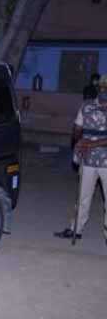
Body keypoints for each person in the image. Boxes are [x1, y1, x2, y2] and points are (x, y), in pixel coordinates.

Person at [55, 74, 107, 245]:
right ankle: (75, 229)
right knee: (83, 197)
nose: (104, 90)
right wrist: (77, 142)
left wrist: (90, 144)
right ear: (98, 88)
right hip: (88, 161)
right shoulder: (86, 106)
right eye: (102, 87)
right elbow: (77, 128)